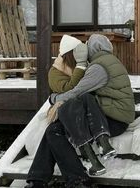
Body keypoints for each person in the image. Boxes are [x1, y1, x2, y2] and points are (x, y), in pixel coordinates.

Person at [50, 33, 135, 172]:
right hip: (118, 117)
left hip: (114, 123)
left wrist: (53, 99)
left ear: (93, 49)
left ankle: (92, 159)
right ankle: (102, 148)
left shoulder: (98, 68)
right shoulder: (110, 60)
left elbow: (76, 91)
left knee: (71, 105)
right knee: (79, 102)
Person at [25, 35, 92, 188]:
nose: (81, 55)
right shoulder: (55, 72)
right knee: (53, 132)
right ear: (70, 54)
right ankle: (73, 179)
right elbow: (70, 89)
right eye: (77, 52)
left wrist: (82, 66)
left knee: (52, 132)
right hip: (67, 110)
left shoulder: (86, 65)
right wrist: (80, 68)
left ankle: (39, 179)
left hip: (83, 110)